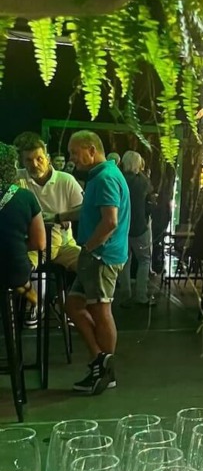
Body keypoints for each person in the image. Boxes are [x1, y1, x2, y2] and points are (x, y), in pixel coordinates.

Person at [61, 131, 130, 395]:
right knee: (73, 305)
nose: (72, 158)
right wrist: (59, 216)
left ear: (91, 149)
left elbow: (110, 221)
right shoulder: (101, 175)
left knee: (101, 310)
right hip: (96, 255)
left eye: (74, 152)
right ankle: (100, 361)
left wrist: (89, 248)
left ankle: (106, 372)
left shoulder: (105, 177)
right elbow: (92, 211)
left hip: (101, 256)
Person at [14, 131, 82, 272]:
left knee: (90, 266)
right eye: (29, 160)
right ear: (22, 162)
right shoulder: (17, 178)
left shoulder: (66, 180)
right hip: (32, 245)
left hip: (64, 245)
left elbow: (84, 209)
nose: (34, 164)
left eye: (39, 159)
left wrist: (64, 216)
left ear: (48, 158)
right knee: (18, 269)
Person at [0, 142, 46, 308]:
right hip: (14, 268)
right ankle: (35, 303)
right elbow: (39, 243)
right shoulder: (25, 197)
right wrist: (14, 245)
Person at [117, 150, 155, 307]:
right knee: (144, 260)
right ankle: (141, 295)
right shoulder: (143, 181)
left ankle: (125, 295)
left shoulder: (119, 179)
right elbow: (151, 203)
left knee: (125, 261)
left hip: (122, 227)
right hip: (140, 227)